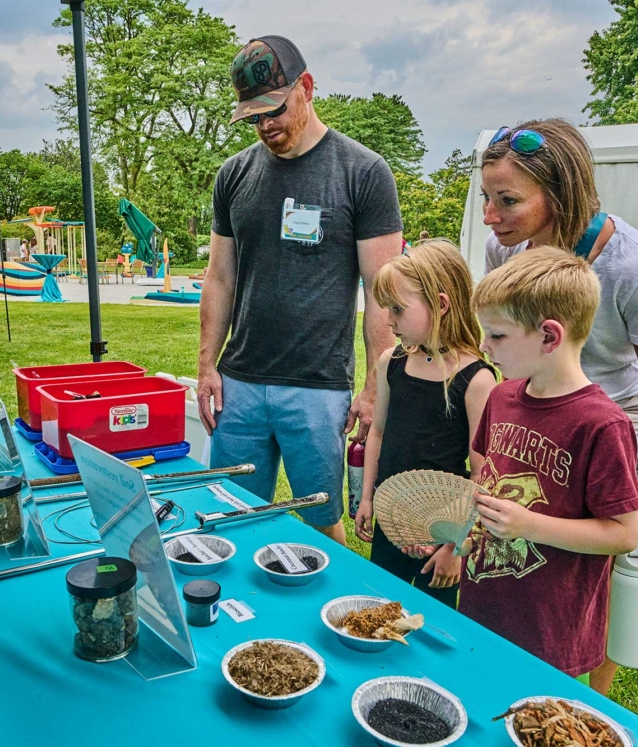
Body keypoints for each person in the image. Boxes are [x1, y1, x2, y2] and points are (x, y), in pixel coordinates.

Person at [480, 119, 638, 691]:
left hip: (609, 423)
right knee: (532, 555)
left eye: (507, 201)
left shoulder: (635, 269)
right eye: (486, 198)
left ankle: (588, 703)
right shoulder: (508, 253)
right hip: (537, 410)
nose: (490, 218)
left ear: (560, 194)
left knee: (600, 580)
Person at [198, 35, 404, 545]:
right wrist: (207, 365)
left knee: (322, 517)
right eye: (253, 117)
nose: (266, 125)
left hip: (318, 386)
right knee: (229, 514)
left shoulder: (364, 172)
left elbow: (383, 290)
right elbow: (219, 277)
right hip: (239, 383)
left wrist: (377, 385)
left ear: (306, 87)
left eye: (276, 109)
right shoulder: (233, 175)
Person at [463, 246, 638, 690]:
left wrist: (528, 525)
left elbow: (623, 532)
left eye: (498, 336)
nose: (484, 347)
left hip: (550, 627)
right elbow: (486, 472)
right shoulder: (502, 397)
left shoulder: (602, 424)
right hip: (484, 602)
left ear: (549, 336)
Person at [353, 240, 496, 605]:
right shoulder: (392, 362)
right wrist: (367, 496)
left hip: (441, 531)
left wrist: (455, 544)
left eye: (398, 309)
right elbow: (379, 433)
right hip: (391, 518)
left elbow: (482, 474)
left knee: (433, 622)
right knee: (379, 608)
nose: (388, 320)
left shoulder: (476, 380)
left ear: (442, 304)